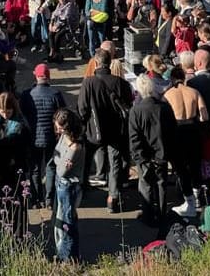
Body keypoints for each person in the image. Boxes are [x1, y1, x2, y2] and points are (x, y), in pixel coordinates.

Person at [78, 48, 133, 213]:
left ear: (96, 62)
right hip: (116, 130)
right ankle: (113, 196)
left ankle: (83, 187)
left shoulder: (89, 82)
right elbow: (128, 105)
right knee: (114, 163)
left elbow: (82, 108)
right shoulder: (121, 83)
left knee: (87, 160)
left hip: (94, 130)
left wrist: (84, 123)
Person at [129, 74, 177, 226]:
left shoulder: (136, 111)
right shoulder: (164, 107)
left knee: (146, 184)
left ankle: (148, 214)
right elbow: (172, 131)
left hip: (144, 155)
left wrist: (139, 156)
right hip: (161, 153)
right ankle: (162, 213)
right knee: (161, 183)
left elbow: (134, 137)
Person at [164, 66, 209, 218]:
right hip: (193, 130)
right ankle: (197, 198)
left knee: (181, 169)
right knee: (195, 165)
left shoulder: (168, 94)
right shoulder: (194, 92)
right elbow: (204, 116)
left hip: (177, 132)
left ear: (171, 78)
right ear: (184, 78)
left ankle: (188, 201)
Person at [0, 92, 30, 236]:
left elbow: (21, 152)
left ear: (13, 109)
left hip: (13, 171)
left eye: (8, 111)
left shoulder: (20, 126)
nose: (5, 115)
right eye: (2, 111)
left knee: (17, 206)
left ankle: (18, 237)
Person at [20, 63, 66, 207]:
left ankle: (34, 198)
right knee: (50, 167)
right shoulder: (55, 94)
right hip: (51, 138)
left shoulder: (27, 94)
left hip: (33, 138)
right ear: (49, 76)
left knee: (35, 169)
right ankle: (49, 199)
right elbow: (63, 115)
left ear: (36, 76)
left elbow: (23, 115)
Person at [52, 108, 85, 262]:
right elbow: (56, 157)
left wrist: (60, 161)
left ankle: (67, 256)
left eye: (60, 127)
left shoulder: (75, 147)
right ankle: (65, 252)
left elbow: (61, 170)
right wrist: (61, 162)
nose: (58, 130)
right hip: (62, 185)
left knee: (67, 223)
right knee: (61, 221)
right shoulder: (65, 137)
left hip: (68, 187)